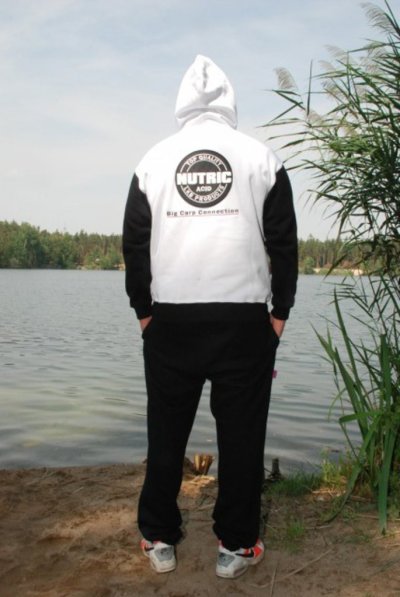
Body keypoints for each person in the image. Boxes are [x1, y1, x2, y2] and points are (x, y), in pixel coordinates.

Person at [122, 55, 297, 579]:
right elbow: (284, 244)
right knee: (241, 438)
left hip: (170, 322)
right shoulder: (260, 158)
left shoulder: (153, 161)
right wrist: (279, 313)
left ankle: (158, 536)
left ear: (182, 102)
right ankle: (237, 546)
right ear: (229, 100)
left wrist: (144, 313)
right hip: (244, 323)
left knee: (165, 433)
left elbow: (134, 246)